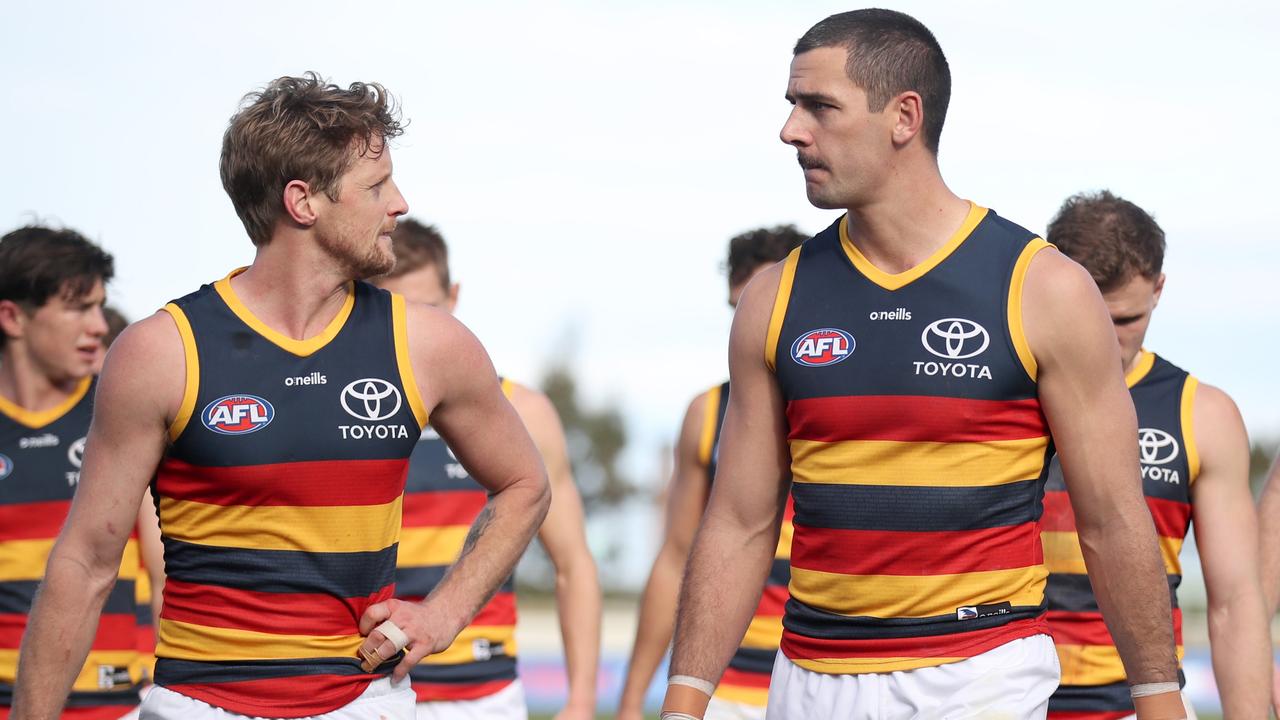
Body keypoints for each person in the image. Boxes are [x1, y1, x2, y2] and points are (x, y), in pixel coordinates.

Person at [662, 10, 1185, 720]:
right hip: (810, 677)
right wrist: (684, 699)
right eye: (791, 105)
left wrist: (1158, 699)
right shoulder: (773, 296)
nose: (791, 130)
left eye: (818, 106)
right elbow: (738, 523)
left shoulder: (1042, 287)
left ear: (904, 116)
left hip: (978, 676)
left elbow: (1112, 520)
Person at [11, 74, 550, 720]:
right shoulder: (164, 352)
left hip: (366, 703)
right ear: (303, 203)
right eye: (377, 186)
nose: (400, 205)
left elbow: (526, 484)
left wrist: (444, 613)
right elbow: (85, 564)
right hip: (196, 705)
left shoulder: (429, 345)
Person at [1041, 191, 1270, 718]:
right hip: (1002, 699)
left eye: (1123, 321)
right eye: (1088, 316)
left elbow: (1235, 602)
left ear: (1159, 290)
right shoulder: (994, 394)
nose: (1104, 340)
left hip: (1141, 706)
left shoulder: (1203, 415)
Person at [374, 219, 601, 720]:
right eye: (396, 313)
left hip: (481, 696)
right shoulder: (345, 411)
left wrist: (582, 701)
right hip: (362, 690)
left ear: (453, 297)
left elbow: (572, 565)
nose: (415, 329)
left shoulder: (523, 412)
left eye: (428, 309)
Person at [617, 226, 805, 720]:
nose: (753, 324)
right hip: (726, 689)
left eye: (766, 307)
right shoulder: (707, 413)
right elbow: (676, 557)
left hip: (823, 676)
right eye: (739, 309)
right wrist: (633, 697)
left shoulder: (857, 403)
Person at [0, 226, 158, 720]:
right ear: (12, 317)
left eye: (99, 307)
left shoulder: (122, 408)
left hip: (121, 706)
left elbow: (167, 566)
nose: (97, 326)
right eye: (77, 308)